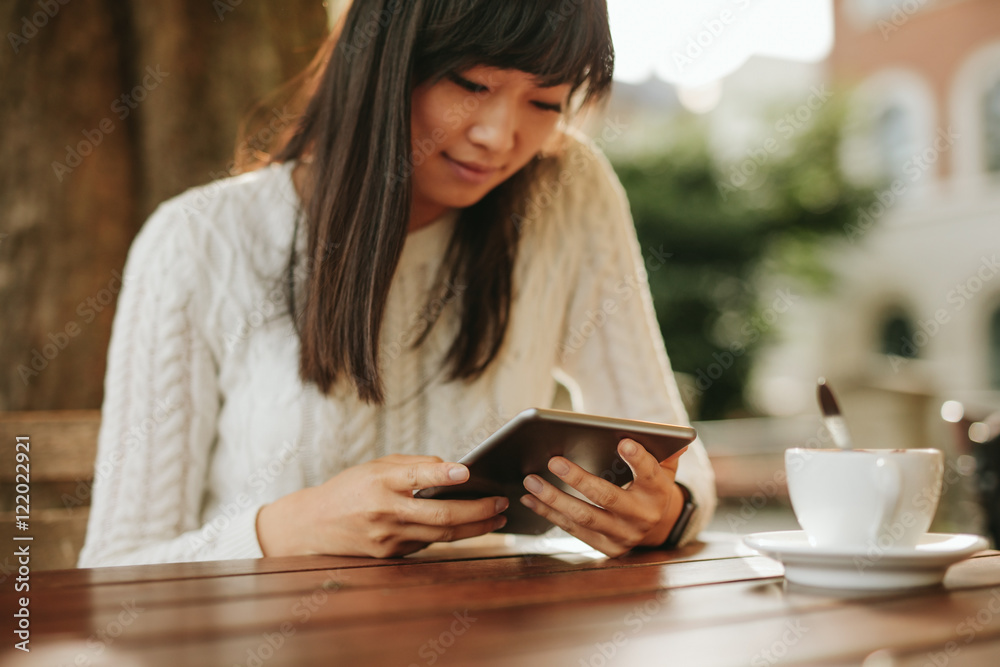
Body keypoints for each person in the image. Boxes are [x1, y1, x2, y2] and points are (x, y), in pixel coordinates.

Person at [77, 0, 716, 567]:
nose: (498, 136)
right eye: (470, 83)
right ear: (383, 62)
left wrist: (663, 514)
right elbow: (115, 569)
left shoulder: (567, 189)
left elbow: (679, 467)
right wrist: (287, 529)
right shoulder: (199, 240)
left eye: (545, 102)